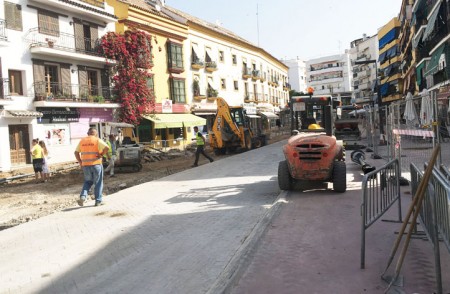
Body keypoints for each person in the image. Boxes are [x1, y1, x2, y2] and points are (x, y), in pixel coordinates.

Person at [74, 128, 109, 207]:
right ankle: (98, 201)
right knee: (98, 183)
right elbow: (107, 147)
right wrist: (101, 155)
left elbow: (76, 152)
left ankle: (83, 196)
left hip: (86, 165)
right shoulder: (97, 140)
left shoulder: (82, 141)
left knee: (88, 182)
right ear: (96, 134)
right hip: (96, 164)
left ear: (88, 133)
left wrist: (80, 162)